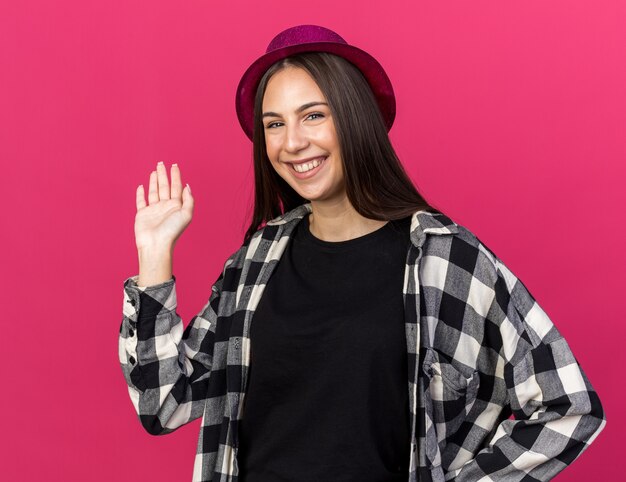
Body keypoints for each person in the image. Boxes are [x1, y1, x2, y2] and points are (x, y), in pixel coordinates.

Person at [118, 24, 606, 482]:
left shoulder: (441, 259)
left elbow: (570, 409)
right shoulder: (255, 262)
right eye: (273, 124)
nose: (292, 142)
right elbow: (164, 404)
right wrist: (155, 256)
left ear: (354, 117)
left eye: (314, 115)